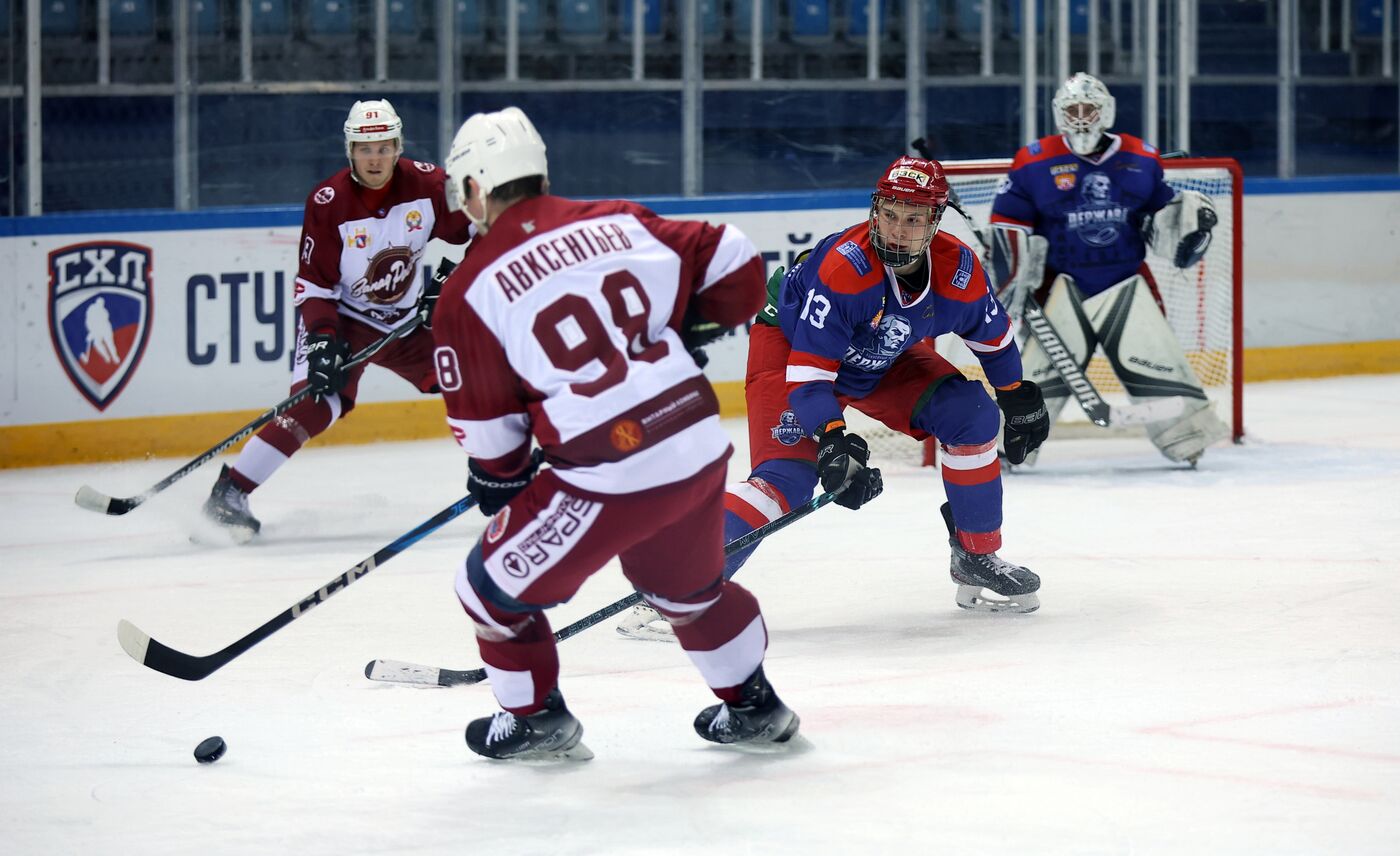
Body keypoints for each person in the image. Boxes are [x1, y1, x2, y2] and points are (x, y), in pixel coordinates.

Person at [431, 106, 798, 761]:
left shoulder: (468, 290)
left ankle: (535, 719)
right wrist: (689, 321)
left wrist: (500, 480)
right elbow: (738, 260)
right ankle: (754, 705)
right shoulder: (616, 219)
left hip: (614, 471)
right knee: (684, 590)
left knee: (486, 592)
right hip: (694, 443)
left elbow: (494, 447)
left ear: (475, 187)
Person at [619, 155, 1050, 641]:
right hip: (791, 350)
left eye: (914, 218)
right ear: (875, 209)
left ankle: (976, 556)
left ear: (935, 222)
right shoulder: (847, 269)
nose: (898, 230)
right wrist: (832, 439)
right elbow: (808, 374)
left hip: (883, 354)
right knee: (788, 479)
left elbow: (992, 340)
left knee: (972, 415)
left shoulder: (959, 271)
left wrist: (1016, 397)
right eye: (890, 213)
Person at [202, 99, 474, 542]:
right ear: (350, 150)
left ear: (397, 146)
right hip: (345, 321)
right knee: (314, 404)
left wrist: (453, 282)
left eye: (384, 147)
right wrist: (325, 338)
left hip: (405, 323)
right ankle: (229, 493)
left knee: (469, 377)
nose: (375, 158)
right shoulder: (328, 201)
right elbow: (313, 285)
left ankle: (508, 471)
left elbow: (484, 229)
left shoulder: (429, 185)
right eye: (365, 148)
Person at [986, 72, 1229, 465]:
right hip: (1062, 286)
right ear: (1059, 114)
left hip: (1126, 281)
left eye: (1089, 108)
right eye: (1072, 109)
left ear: (1106, 111)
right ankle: (1008, 445)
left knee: (1154, 360)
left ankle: (1187, 437)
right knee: (1036, 376)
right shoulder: (1034, 161)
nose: (1081, 117)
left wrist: (1185, 229)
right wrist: (1009, 275)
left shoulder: (1141, 157)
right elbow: (1009, 227)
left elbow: (1160, 220)